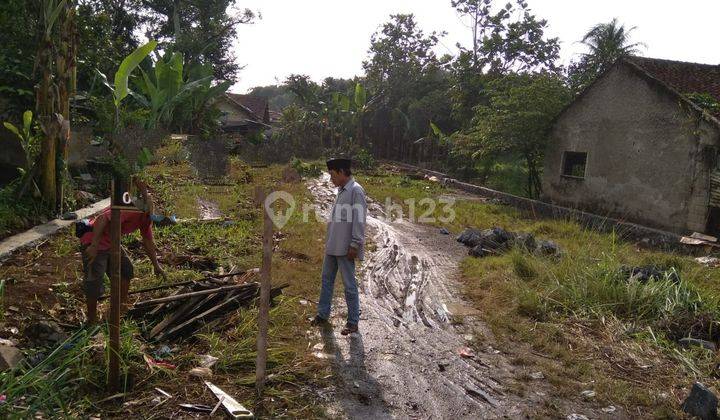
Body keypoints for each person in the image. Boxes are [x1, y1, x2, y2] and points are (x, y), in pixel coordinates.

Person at [80, 178, 165, 325]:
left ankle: (119, 309)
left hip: (112, 243)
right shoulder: (132, 209)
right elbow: (101, 219)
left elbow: (148, 242)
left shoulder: (146, 219)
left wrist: (156, 265)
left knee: (126, 271)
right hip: (94, 240)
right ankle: (92, 320)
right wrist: (93, 246)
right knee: (95, 281)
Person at [311, 158, 367, 335]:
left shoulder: (355, 191)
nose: (331, 179)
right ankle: (322, 314)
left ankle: (352, 322)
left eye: (333, 175)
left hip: (346, 247)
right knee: (326, 280)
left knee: (349, 285)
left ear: (342, 172)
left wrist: (355, 244)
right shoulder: (341, 190)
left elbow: (359, 220)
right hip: (333, 245)